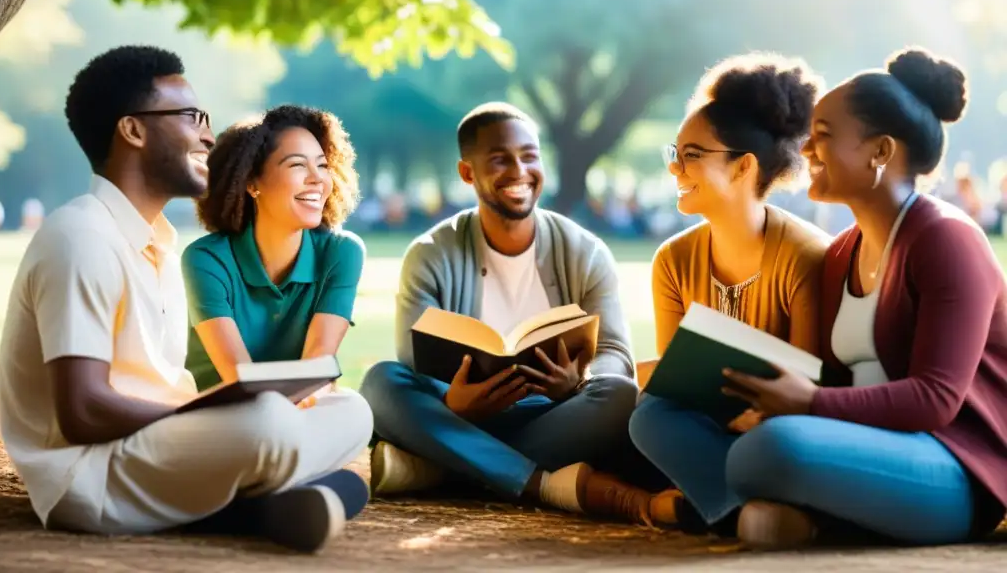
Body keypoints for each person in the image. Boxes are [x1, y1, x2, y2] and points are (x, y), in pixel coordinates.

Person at [0, 47, 373, 553]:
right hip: (90, 473)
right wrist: (205, 417)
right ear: (133, 130)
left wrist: (209, 418)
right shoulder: (80, 235)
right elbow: (82, 411)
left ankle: (253, 508)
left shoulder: (159, 244)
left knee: (352, 411)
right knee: (269, 422)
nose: (208, 137)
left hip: (155, 448)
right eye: (190, 117)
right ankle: (258, 502)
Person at [675, 48, 1007, 549]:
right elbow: (834, 375)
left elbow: (936, 399)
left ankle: (776, 506)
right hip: (864, 450)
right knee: (664, 418)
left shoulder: (947, 239)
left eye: (824, 136)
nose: (805, 149)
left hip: (953, 468)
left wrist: (808, 402)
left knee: (766, 452)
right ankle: (804, 517)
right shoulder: (840, 254)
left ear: (880, 152)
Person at [360, 102, 668, 524]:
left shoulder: (586, 252)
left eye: (529, 156)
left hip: (553, 415)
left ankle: (442, 468)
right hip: (456, 411)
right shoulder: (430, 254)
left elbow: (616, 353)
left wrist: (578, 382)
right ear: (468, 173)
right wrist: (454, 402)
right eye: (500, 159)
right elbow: (414, 358)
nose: (519, 171)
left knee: (617, 394)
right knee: (381, 381)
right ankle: (538, 482)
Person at [628, 53, 831, 532]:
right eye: (674, 155)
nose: (676, 170)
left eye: (692, 156)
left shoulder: (806, 256)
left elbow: (815, 387)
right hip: (709, 430)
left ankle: (727, 506)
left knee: (774, 442)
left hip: (786, 428)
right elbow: (674, 388)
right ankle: (739, 510)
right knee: (647, 416)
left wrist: (759, 417)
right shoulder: (672, 262)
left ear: (744, 167)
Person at [183, 104, 363, 397]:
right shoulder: (206, 259)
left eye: (322, 165)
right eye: (297, 165)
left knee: (354, 406)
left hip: (302, 402)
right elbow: (237, 376)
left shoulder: (342, 252)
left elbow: (317, 364)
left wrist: (308, 401)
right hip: (224, 410)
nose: (317, 178)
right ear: (252, 183)